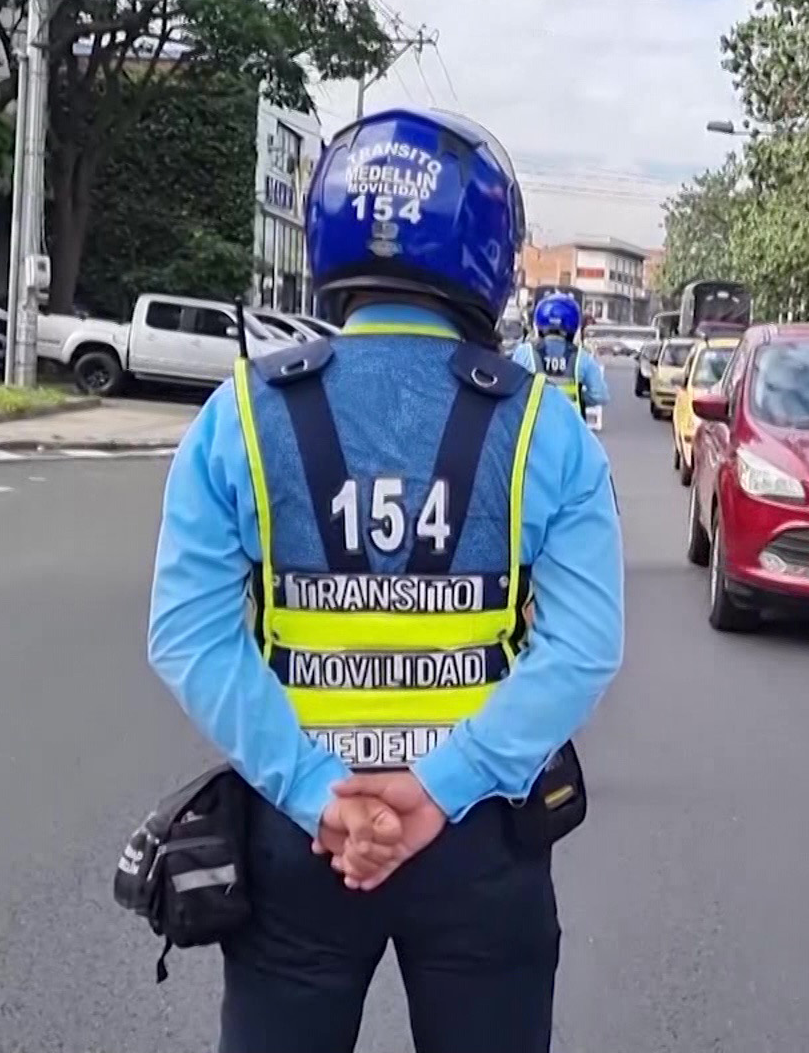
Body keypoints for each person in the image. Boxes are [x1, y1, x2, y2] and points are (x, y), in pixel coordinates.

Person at [146, 106, 624, 1053]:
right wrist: (439, 788)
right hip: (480, 834)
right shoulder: (544, 428)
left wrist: (326, 793)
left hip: (302, 837)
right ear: (487, 249)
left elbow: (189, 637)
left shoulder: (238, 415)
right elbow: (582, 648)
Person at [512, 292, 609, 416]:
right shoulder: (582, 357)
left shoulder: (524, 352)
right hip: (570, 425)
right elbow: (600, 396)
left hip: (533, 424)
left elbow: (511, 389)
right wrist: (579, 398)